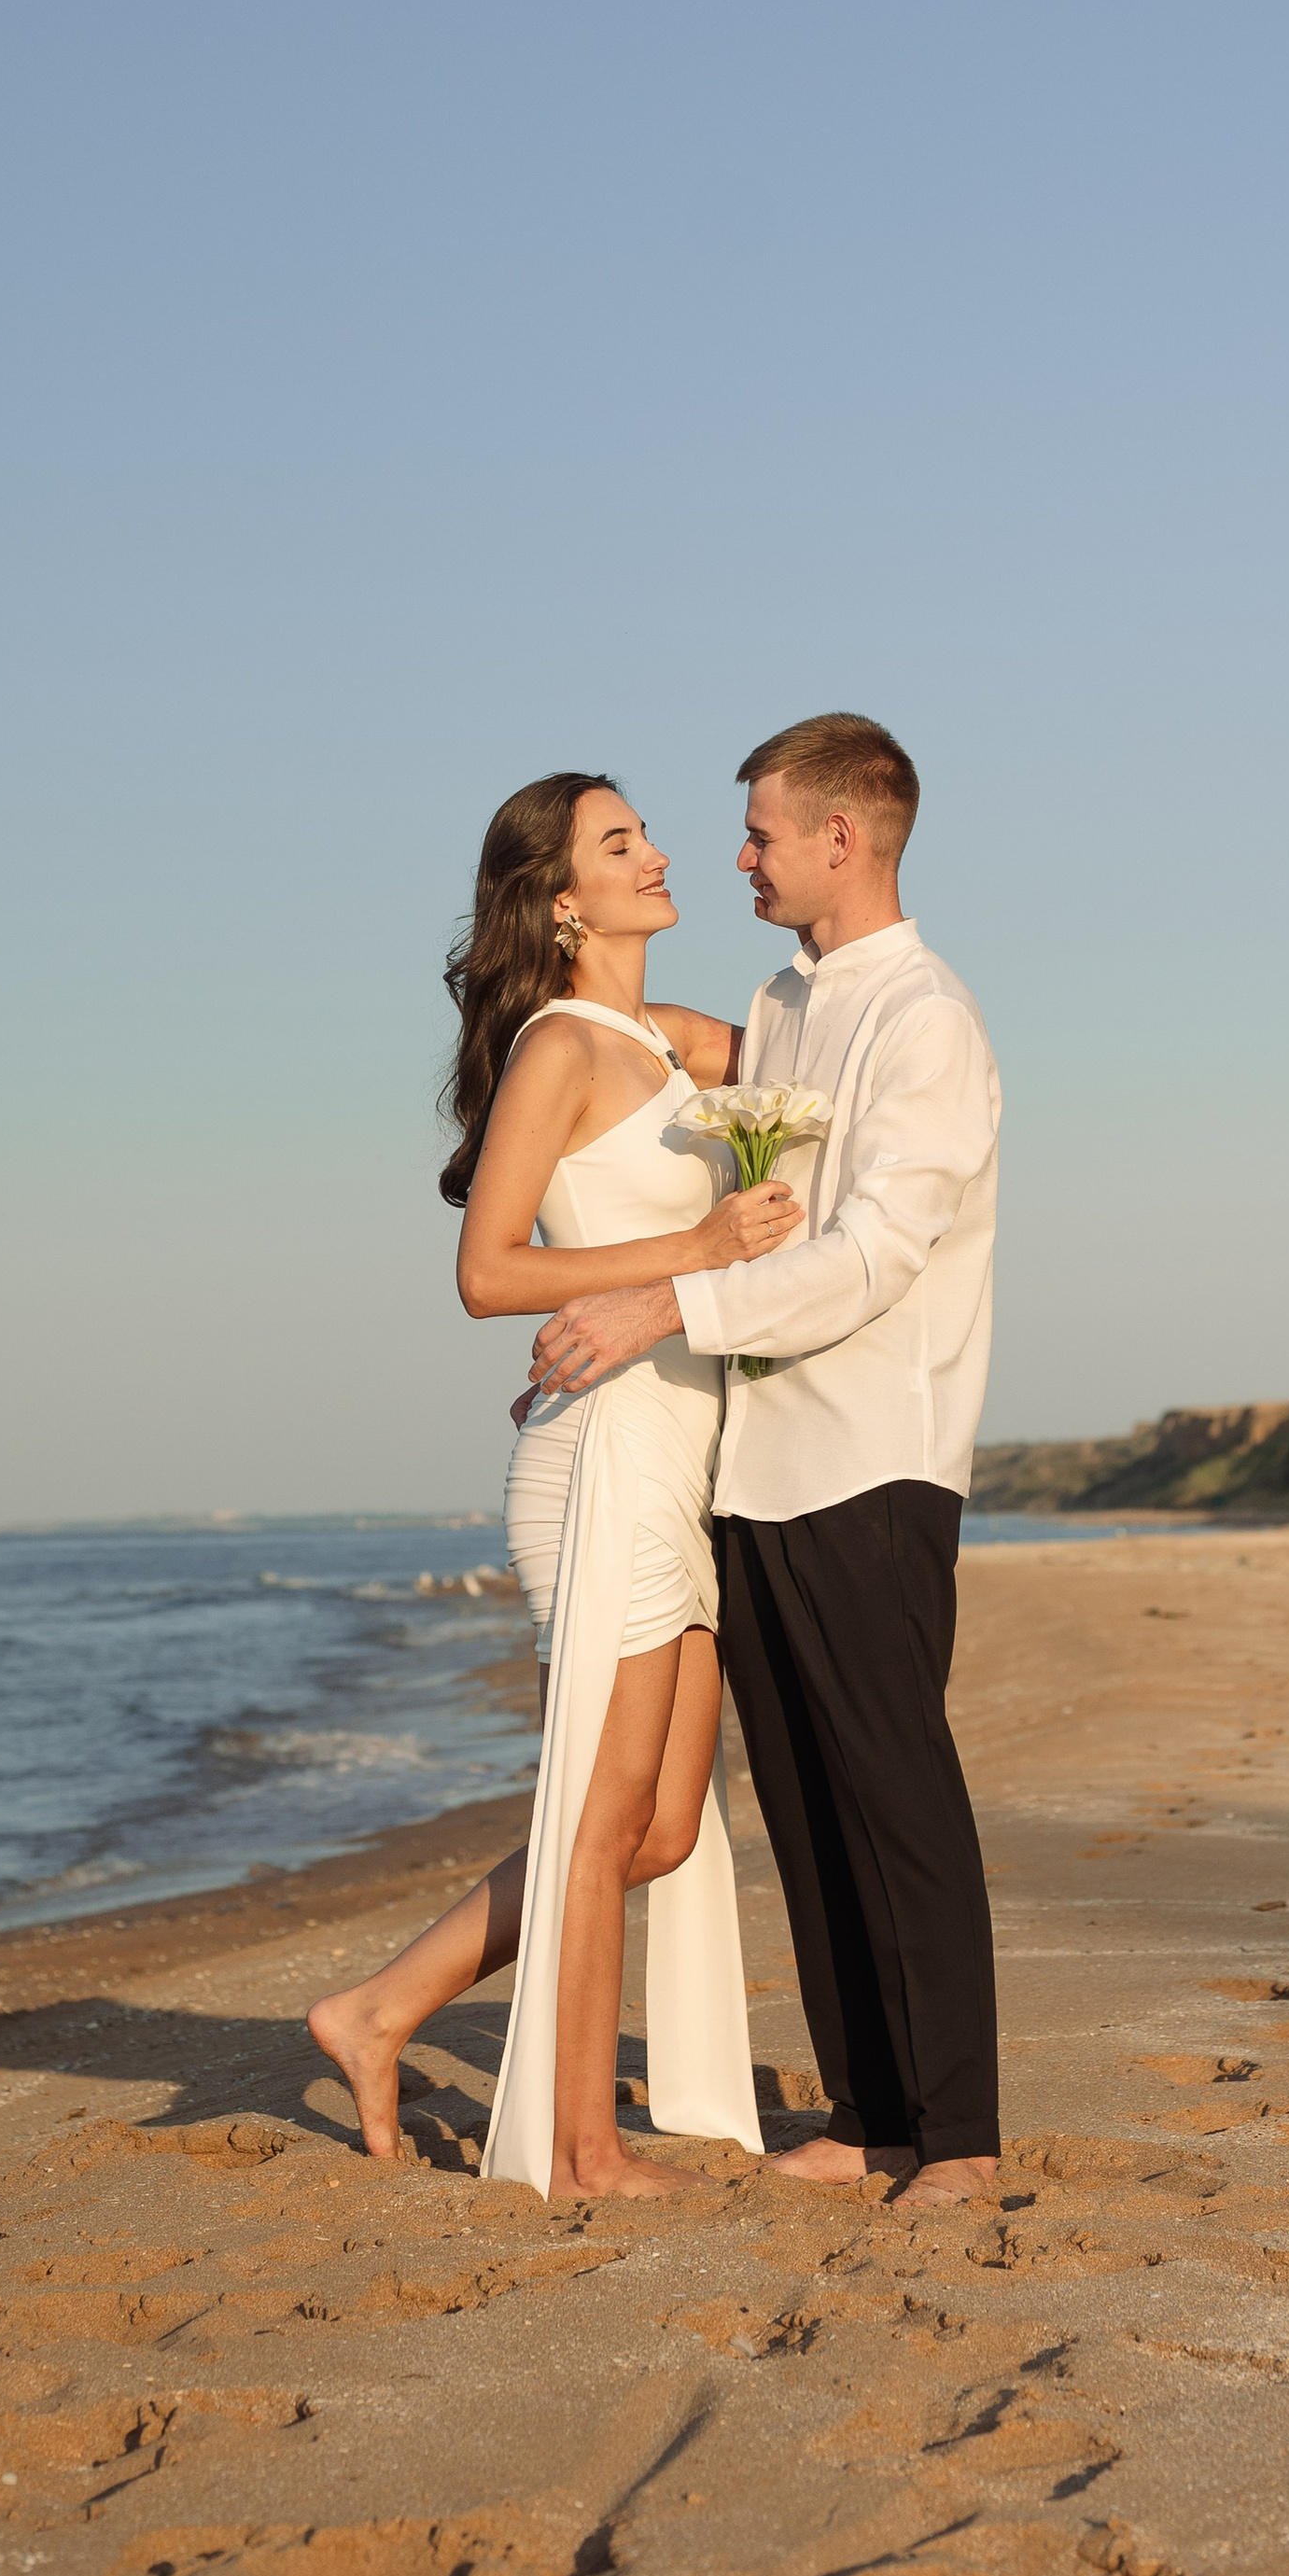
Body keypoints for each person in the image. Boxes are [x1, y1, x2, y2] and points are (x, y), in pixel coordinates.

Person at [529, 713, 1002, 2212]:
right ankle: (869, 2111)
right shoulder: (781, 1004)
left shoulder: (925, 1018)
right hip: (754, 1463)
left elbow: (870, 1254)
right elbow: (702, 1090)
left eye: (761, 833)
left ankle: (961, 2136)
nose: (737, 856)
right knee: (802, 1804)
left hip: (874, 1452)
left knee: (897, 1795)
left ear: (840, 840)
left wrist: (660, 1303)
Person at [306, 771, 795, 2199]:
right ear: (562, 903)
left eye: (645, 833)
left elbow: (809, 1042)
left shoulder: (662, 1040)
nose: (657, 855)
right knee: (599, 1823)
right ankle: (580, 2150)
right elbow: (487, 1270)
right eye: (617, 843)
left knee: (658, 1824)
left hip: (679, 1466)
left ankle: (382, 2007)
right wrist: (697, 1251)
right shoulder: (561, 1047)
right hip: (603, 1458)